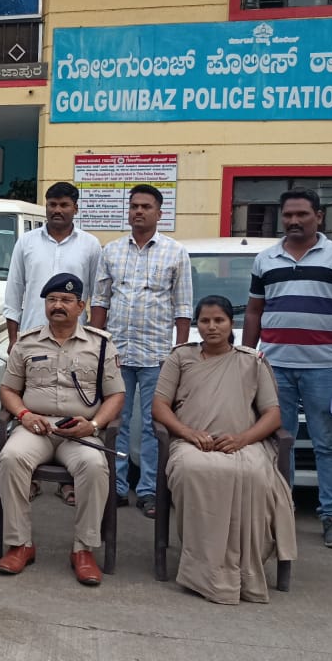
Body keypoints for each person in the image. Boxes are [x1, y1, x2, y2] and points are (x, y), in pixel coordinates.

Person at [152, 295, 297, 604]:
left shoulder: (251, 361)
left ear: (231, 324)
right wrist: (188, 433)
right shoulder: (180, 357)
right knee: (192, 470)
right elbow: (160, 406)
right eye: (205, 321)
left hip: (243, 444)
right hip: (191, 444)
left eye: (219, 320)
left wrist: (242, 439)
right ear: (197, 324)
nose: (212, 327)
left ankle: (243, 570)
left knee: (256, 477)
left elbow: (273, 415)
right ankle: (202, 568)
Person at [243, 188, 332, 550]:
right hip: (274, 366)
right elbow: (254, 312)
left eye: (302, 214)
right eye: (288, 215)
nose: (294, 221)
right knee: (281, 443)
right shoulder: (266, 259)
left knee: (328, 443)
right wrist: (246, 358)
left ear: (319, 216)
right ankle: (282, 511)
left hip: (323, 367)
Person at [0, 273, 125, 586]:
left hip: (79, 431)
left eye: (66, 300)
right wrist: (24, 414)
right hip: (36, 427)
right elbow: (8, 390)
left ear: (81, 306)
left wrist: (94, 425)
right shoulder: (26, 342)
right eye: (52, 300)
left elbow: (116, 396)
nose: (58, 305)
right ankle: (20, 544)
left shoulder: (100, 345)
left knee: (94, 466)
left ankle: (83, 549)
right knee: (11, 458)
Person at [96, 184, 192, 518]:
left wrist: (179, 353)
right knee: (115, 422)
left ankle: (149, 490)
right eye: (134, 206)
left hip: (157, 356)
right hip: (117, 353)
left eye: (146, 206)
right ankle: (117, 487)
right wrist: (98, 345)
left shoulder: (175, 252)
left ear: (159, 213)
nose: (138, 211)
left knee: (154, 424)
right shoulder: (111, 251)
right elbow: (100, 301)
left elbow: (183, 307)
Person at [4, 181, 102, 347]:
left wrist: (94, 340)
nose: (57, 210)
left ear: (76, 209)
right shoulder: (26, 242)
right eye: (52, 204)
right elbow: (14, 292)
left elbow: (98, 297)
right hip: (32, 335)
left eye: (64, 205)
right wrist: (13, 339)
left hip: (76, 340)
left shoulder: (90, 244)